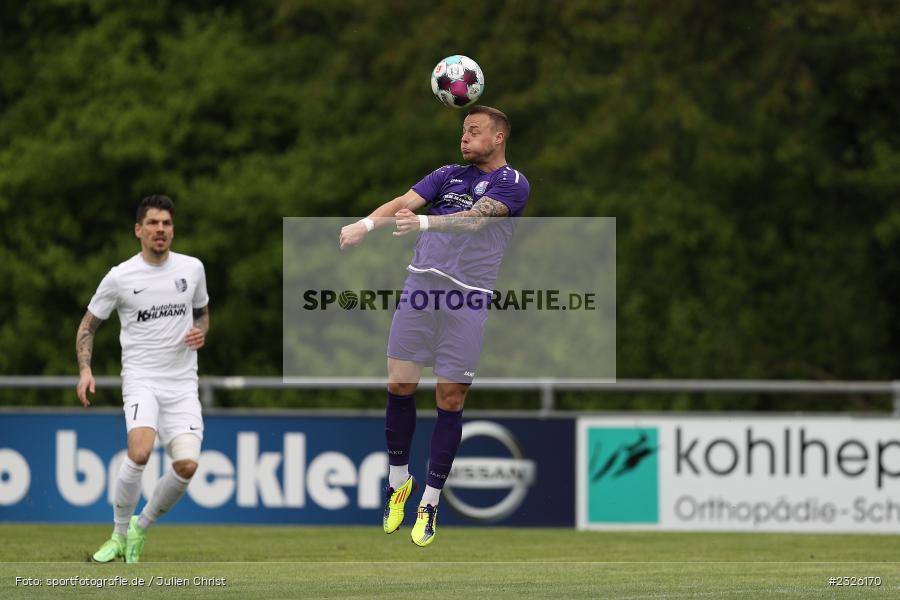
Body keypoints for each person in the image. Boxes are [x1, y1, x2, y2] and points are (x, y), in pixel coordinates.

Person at [339, 105, 530, 546]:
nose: (465, 138)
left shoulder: (513, 182)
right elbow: (403, 203)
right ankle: (398, 482)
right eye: (463, 130)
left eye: (474, 131)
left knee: (450, 398)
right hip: (421, 288)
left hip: (468, 299)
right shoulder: (447, 174)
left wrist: (424, 221)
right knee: (399, 384)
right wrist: (366, 224)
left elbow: (477, 219)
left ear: (499, 137)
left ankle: (429, 502)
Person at [76, 195, 210, 563]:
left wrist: (200, 331)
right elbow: (88, 326)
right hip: (142, 379)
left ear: (173, 230)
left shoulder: (192, 269)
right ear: (138, 230)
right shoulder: (120, 277)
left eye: (166, 223)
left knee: (187, 465)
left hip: (182, 383)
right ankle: (118, 535)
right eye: (152, 223)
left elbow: (202, 315)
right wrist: (85, 369)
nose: (160, 229)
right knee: (139, 452)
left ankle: (140, 526)